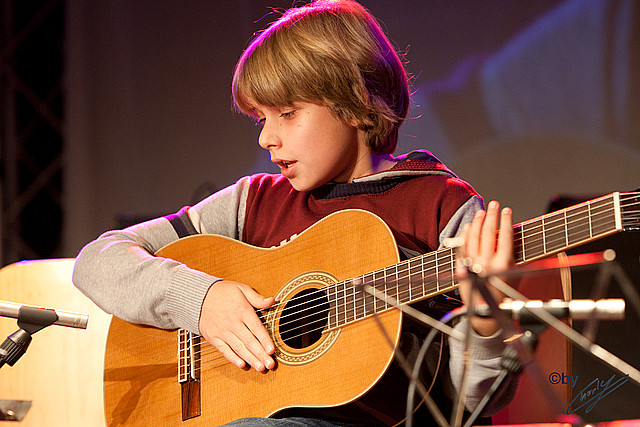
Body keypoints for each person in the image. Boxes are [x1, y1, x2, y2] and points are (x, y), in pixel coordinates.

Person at [73, 1, 517, 425]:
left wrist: (484, 317)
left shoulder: (442, 206)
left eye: (287, 113)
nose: (267, 138)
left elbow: (471, 404)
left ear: (357, 102)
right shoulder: (255, 202)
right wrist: (201, 299)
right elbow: (98, 260)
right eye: (259, 118)